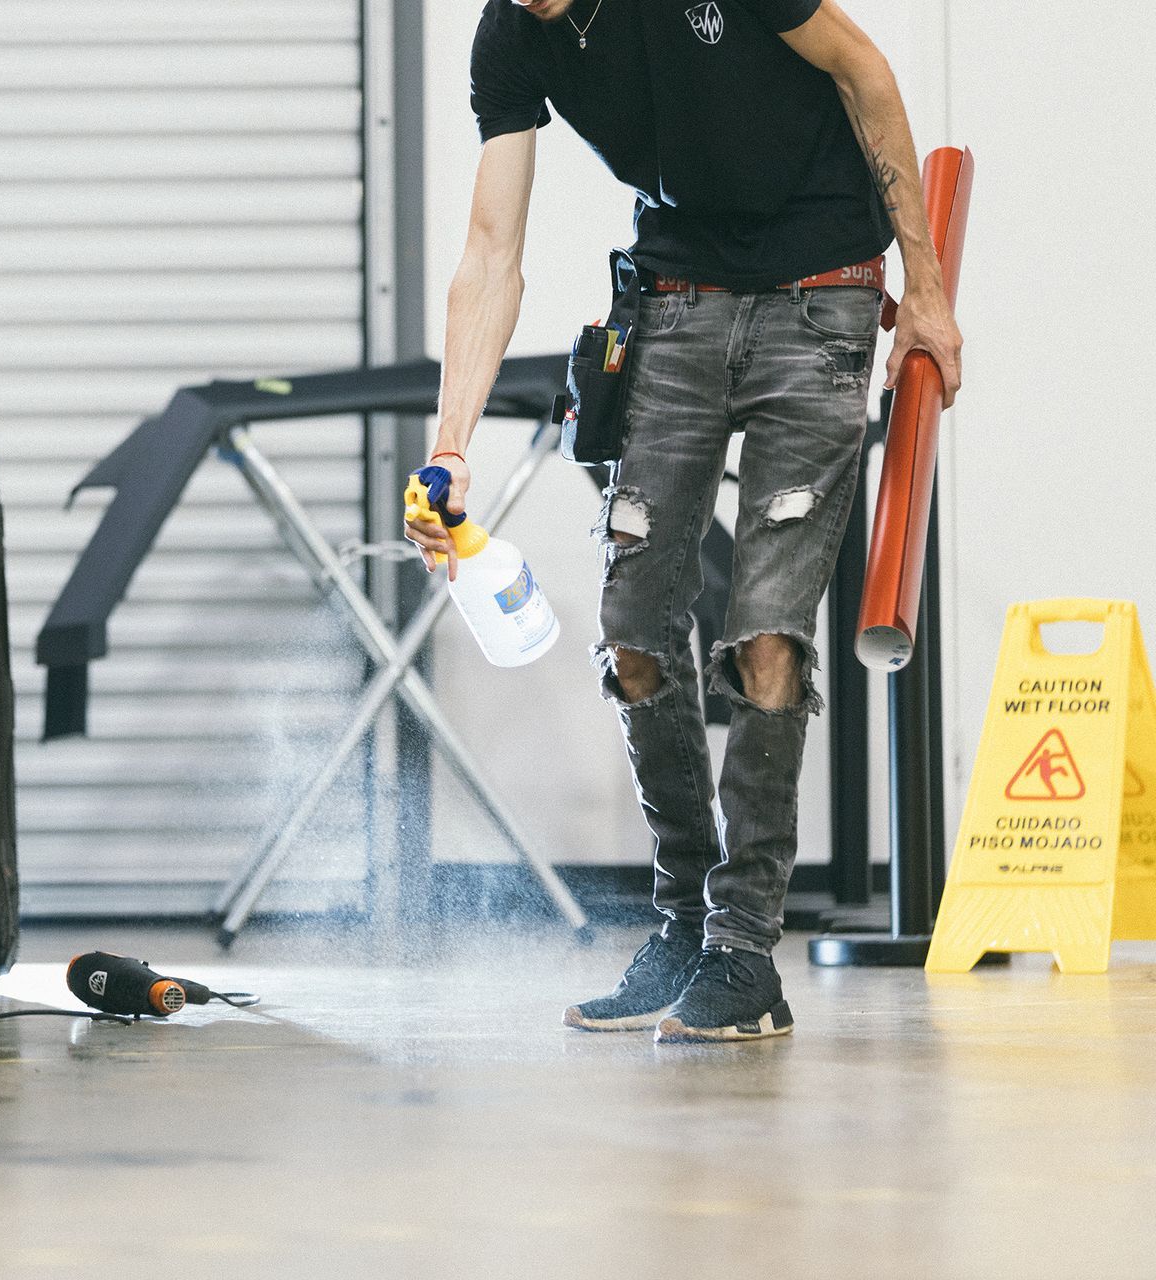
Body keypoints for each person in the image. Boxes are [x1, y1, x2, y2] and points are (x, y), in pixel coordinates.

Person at [405, 0, 963, 1043]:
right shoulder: (512, 36)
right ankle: (685, 922)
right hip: (674, 304)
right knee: (633, 636)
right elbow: (491, 249)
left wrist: (924, 292)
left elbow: (865, 72)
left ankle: (745, 950)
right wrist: (451, 445)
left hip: (822, 289)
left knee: (764, 631)